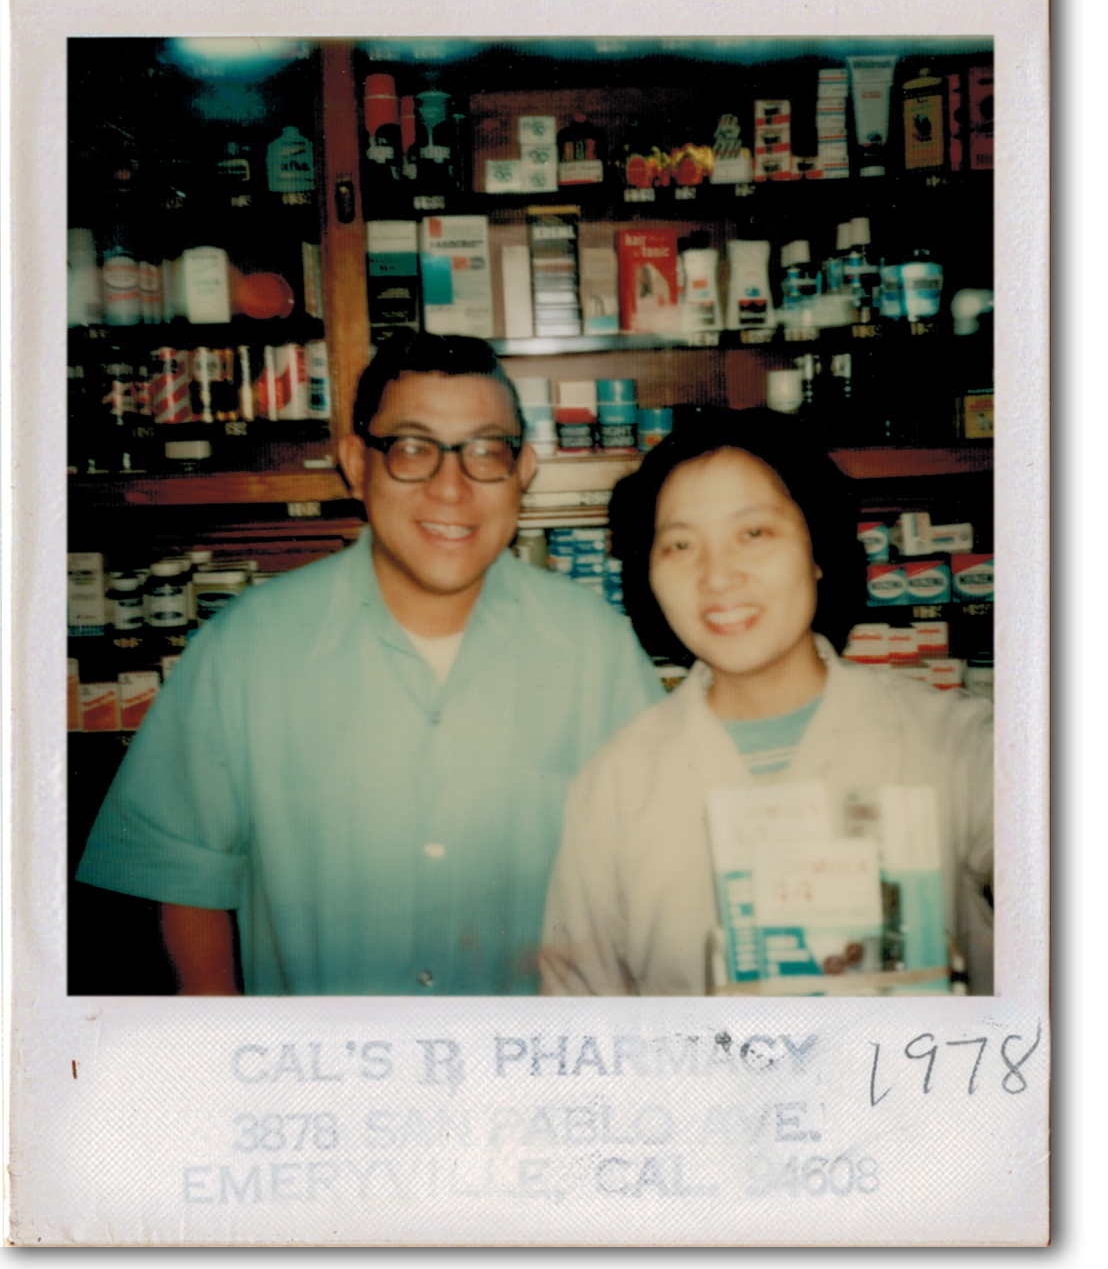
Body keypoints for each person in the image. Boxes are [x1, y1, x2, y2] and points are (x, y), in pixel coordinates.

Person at [77, 334, 661, 995]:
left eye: (485, 451)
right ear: (357, 463)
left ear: (523, 469)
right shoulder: (243, 650)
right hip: (319, 1084)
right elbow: (187, 879)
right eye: (412, 448)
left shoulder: (596, 650)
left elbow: (660, 876)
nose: (451, 488)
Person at [540, 410, 994, 996]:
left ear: (817, 549)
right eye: (680, 545)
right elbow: (582, 1012)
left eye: (753, 533)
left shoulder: (953, 742)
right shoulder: (613, 789)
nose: (718, 576)